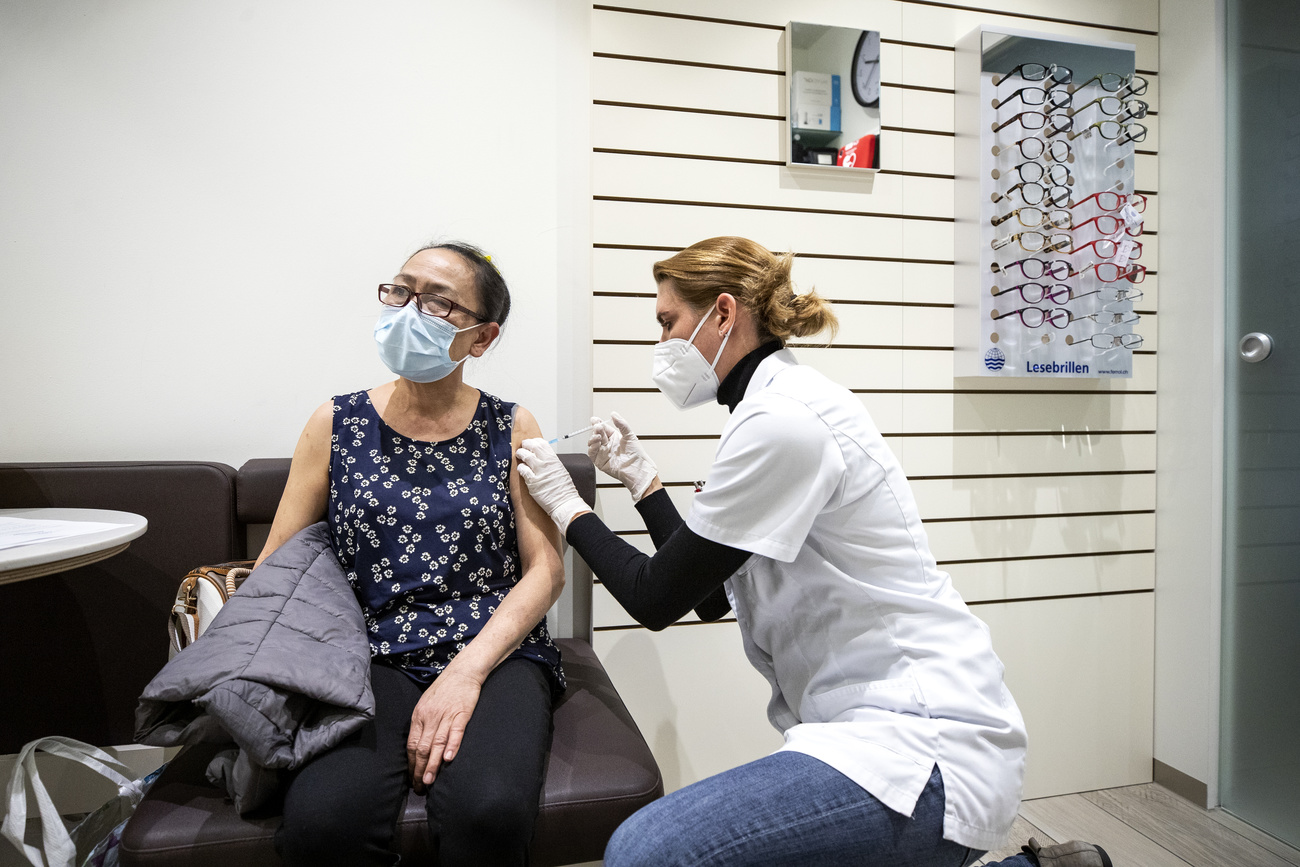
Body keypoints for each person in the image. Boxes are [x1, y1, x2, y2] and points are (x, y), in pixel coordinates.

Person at [516, 236, 1113, 867]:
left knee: (647, 852)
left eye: (669, 323)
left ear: (723, 314)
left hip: (921, 738)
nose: (662, 344)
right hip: (855, 723)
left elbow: (655, 597)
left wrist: (567, 506)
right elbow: (711, 598)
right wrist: (645, 485)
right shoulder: (767, 412)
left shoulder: (786, 420)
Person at [258, 241, 566, 867]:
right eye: (401, 291)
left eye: (437, 302)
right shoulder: (334, 422)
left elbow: (546, 569)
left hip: (495, 649)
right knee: (323, 824)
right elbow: (278, 562)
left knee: (490, 813)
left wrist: (467, 672)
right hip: (365, 653)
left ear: (482, 339)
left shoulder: (513, 427)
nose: (408, 310)